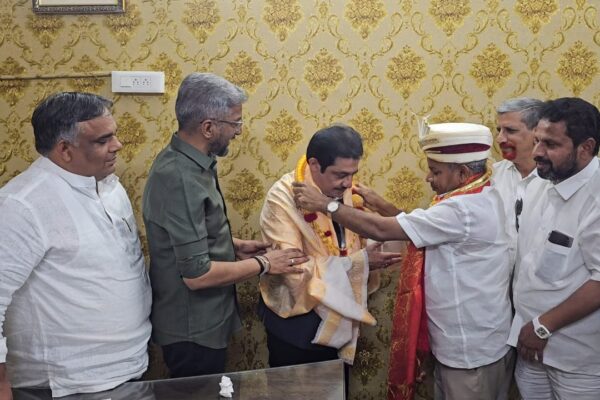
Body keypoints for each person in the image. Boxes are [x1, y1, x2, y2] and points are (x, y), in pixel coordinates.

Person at [294, 122, 514, 400]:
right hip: (468, 339)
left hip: (470, 351)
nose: (428, 178)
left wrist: (325, 204)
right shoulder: (478, 193)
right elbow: (424, 225)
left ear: (462, 173)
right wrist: (380, 204)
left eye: (435, 171)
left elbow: (381, 230)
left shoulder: (464, 209)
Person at [142, 73, 307, 379]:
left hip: (206, 320)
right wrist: (265, 264)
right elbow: (197, 275)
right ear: (208, 127)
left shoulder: (194, 164)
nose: (238, 131)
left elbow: (188, 235)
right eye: (235, 123)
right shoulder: (179, 177)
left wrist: (232, 246)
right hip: (192, 329)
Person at [0, 92, 152, 398]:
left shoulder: (109, 185)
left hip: (132, 370)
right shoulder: (21, 206)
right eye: (103, 140)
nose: (118, 145)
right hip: (67, 386)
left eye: (114, 134)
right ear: (65, 150)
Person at [258, 124, 402, 368]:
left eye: (352, 174)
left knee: (339, 387)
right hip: (298, 327)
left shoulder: (346, 191)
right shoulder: (283, 197)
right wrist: (360, 263)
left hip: (342, 319)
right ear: (314, 165)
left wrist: (380, 208)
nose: (348, 183)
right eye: (340, 174)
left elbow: (376, 234)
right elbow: (291, 269)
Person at [510, 97, 600, 399]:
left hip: (577, 361)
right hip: (529, 347)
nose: (537, 152)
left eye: (550, 144)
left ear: (586, 147)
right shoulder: (541, 181)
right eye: (537, 140)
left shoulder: (596, 197)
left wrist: (543, 326)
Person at [492, 98, 548, 266]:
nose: (500, 139)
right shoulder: (490, 177)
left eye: (510, 130)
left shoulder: (558, 180)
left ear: (537, 133)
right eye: (499, 130)